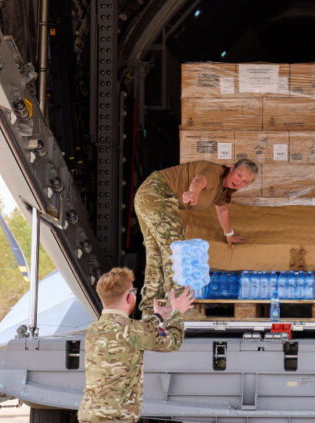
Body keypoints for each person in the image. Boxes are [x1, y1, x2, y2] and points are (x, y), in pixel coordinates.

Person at [134, 158, 257, 315]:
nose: (239, 182)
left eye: (245, 182)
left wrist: (229, 234)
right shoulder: (214, 172)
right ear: (232, 168)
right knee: (175, 247)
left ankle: (150, 309)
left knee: (155, 253)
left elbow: (223, 209)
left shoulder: (223, 190)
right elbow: (199, 180)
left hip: (147, 196)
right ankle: (176, 307)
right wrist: (193, 192)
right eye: (239, 176)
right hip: (157, 192)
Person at [78, 267, 194, 423]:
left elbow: (135, 331)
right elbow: (173, 341)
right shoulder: (131, 330)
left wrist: (158, 316)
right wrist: (178, 313)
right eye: (134, 291)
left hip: (90, 413)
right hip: (115, 417)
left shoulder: (94, 328)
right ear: (129, 298)